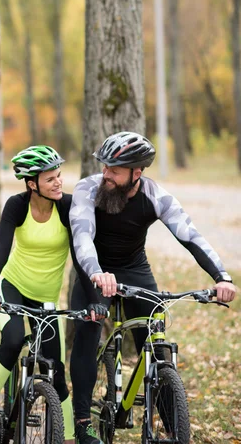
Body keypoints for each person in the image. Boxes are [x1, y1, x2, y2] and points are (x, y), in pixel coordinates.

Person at [69, 131, 236, 444]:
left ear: (137, 173)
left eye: (114, 171)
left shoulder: (155, 196)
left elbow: (191, 236)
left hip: (134, 270)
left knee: (156, 343)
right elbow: (82, 237)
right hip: (95, 271)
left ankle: (175, 430)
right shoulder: (87, 188)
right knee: (89, 330)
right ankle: (82, 423)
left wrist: (222, 276)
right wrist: (96, 272)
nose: (105, 174)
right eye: (104, 167)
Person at [0, 145, 98, 444]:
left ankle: (68, 438)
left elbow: (80, 256)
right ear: (32, 184)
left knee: (56, 371)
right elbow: (1, 251)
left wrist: (94, 297)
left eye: (59, 176)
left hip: (46, 298)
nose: (58, 183)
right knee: (14, 339)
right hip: (11, 288)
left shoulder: (67, 206)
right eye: (50, 179)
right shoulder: (17, 206)